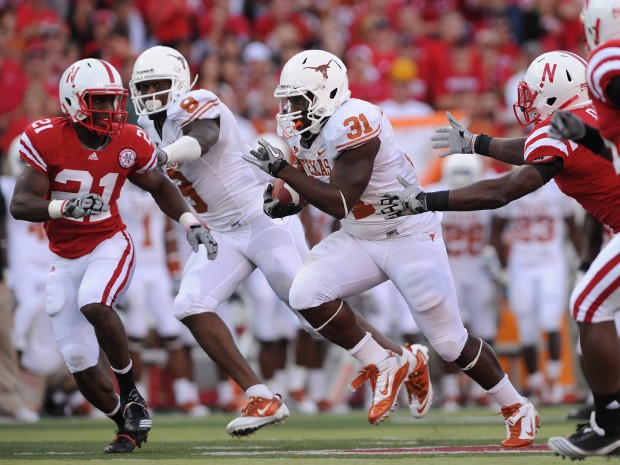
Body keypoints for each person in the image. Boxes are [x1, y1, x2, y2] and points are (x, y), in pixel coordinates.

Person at [130, 46, 432, 434]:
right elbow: (158, 185)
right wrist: (190, 221)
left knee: (311, 309)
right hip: (222, 230)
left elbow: (201, 137)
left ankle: (398, 358)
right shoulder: (148, 129)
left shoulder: (197, 103)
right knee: (190, 305)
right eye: (145, 86)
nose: (152, 93)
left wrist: (163, 153)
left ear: (181, 83)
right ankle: (262, 396)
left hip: (263, 219)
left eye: (159, 84)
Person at [244, 49, 535, 446]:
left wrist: (283, 171)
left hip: (407, 234)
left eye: (298, 99)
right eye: (288, 99)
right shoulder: (308, 129)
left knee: (450, 343)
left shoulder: (356, 120)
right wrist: (289, 199)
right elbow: (320, 189)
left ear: (326, 93)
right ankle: (384, 360)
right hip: (360, 235)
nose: (290, 108)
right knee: (305, 293)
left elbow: (340, 199)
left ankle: (517, 407)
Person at [374, 49, 620, 458]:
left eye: (535, 92)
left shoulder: (560, 133)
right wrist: (476, 143)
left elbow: (503, 190)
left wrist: (424, 200)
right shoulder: (591, 116)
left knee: (589, 304)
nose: (528, 101)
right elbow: (533, 148)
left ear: (555, 94)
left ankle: (609, 421)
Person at [10, 58, 218, 454]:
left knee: (95, 301)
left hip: (108, 241)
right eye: (100, 102)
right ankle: (126, 422)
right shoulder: (46, 138)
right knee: (79, 363)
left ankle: (133, 393)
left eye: (113, 101)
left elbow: (158, 185)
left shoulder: (129, 140)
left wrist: (191, 223)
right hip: (64, 257)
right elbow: (20, 204)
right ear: (73, 102)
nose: (110, 111)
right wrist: (61, 208)